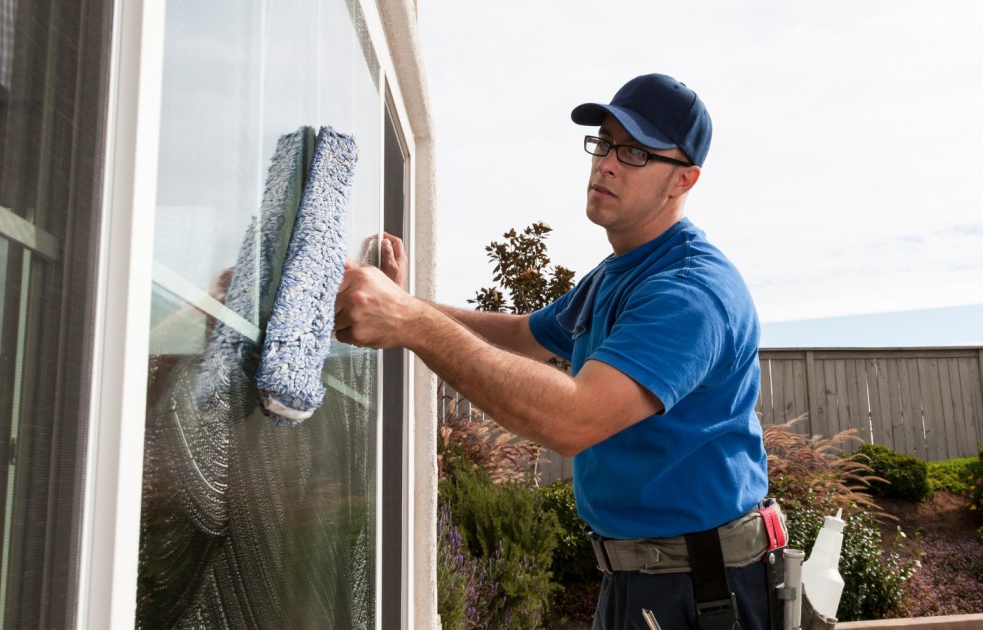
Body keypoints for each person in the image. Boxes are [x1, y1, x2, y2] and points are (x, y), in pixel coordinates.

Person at [335, 73, 782, 630]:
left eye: (635, 152)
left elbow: (576, 418)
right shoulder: (616, 275)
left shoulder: (689, 290)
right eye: (605, 141)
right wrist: (404, 302)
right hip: (637, 579)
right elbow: (522, 333)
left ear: (683, 179)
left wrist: (409, 321)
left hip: (703, 593)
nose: (607, 163)